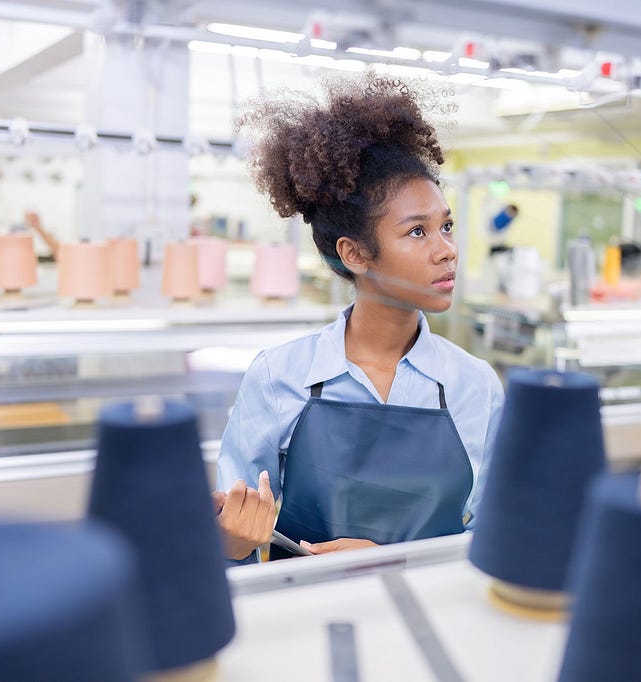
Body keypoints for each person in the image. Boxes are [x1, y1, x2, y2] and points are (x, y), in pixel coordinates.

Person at [214, 76, 505, 562]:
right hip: (306, 619)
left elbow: (496, 538)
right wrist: (235, 538)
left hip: (435, 618)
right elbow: (230, 538)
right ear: (355, 254)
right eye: (417, 232)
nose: (447, 251)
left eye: (446, 226)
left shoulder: (475, 385)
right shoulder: (278, 377)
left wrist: (387, 561)